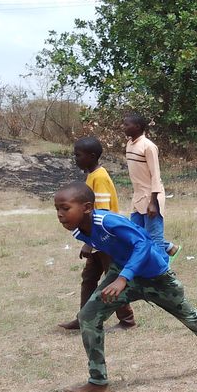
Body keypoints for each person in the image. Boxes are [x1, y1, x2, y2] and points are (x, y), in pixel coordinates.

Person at [53, 181, 197, 392]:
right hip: (124, 273)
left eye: (65, 208)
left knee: (190, 316)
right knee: (88, 316)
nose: (60, 214)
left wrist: (122, 278)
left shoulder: (107, 221)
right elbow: (110, 244)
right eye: (57, 209)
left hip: (155, 277)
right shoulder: (79, 231)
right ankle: (98, 381)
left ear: (87, 207)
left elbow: (142, 243)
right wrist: (94, 249)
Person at [58, 136, 137, 331]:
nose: (75, 159)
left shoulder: (99, 177)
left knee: (112, 279)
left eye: (78, 155)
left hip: (107, 240)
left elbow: (101, 212)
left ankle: (127, 320)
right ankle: (84, 318)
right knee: (89, 279)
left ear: (92, 156)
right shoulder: (92, 175)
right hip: (98, 240)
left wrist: (89, 243)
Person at [122, 113, 178, 257]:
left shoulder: (148, 146)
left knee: (155, 239)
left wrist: (153, 202)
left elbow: (155, 175)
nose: (124, 127)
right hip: (138, 197)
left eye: (127, 125)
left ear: (137, 127)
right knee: (136, 235)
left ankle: (163, 269)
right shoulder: (129, 144)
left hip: (151, 197)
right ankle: (169, 247)